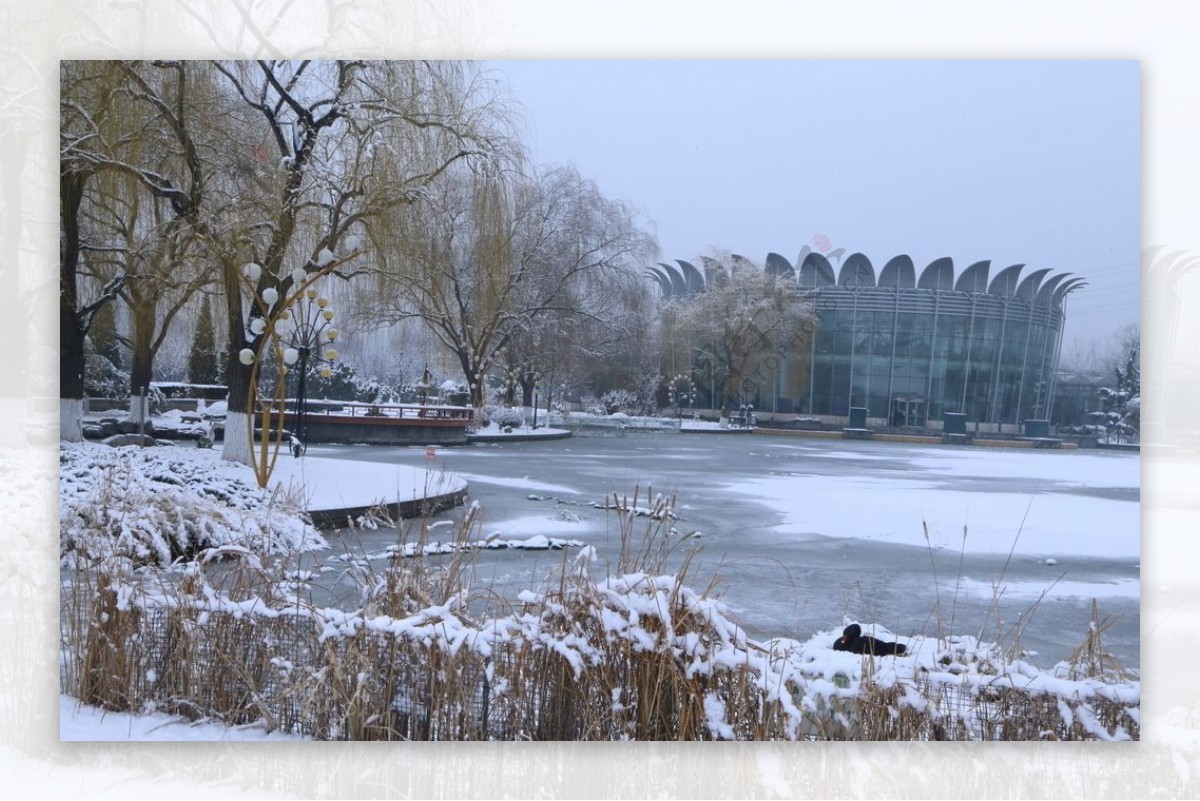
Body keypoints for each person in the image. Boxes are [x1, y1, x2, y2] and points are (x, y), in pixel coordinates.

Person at [831, 623, 907, 656]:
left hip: (881, 649)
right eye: (844, 635)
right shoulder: (852, 641)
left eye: (846, 635)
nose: (844, 638)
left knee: (886, 647)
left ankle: (898, 648)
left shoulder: (857, 644)